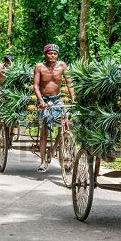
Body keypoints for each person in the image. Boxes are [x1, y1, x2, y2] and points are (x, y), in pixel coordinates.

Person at [33, 44, 75, 172]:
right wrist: (40, 101)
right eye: (50, 53)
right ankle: (43, 162)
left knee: (65, 124)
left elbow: (69, 83)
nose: (53, 56)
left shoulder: (62, 66)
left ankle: (52, 151)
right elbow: (35, 86)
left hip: (57, 100)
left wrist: (74, 100)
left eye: (55, 53)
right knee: (44, 131)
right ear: (45, 54)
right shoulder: (39, 67)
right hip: (44, 101)